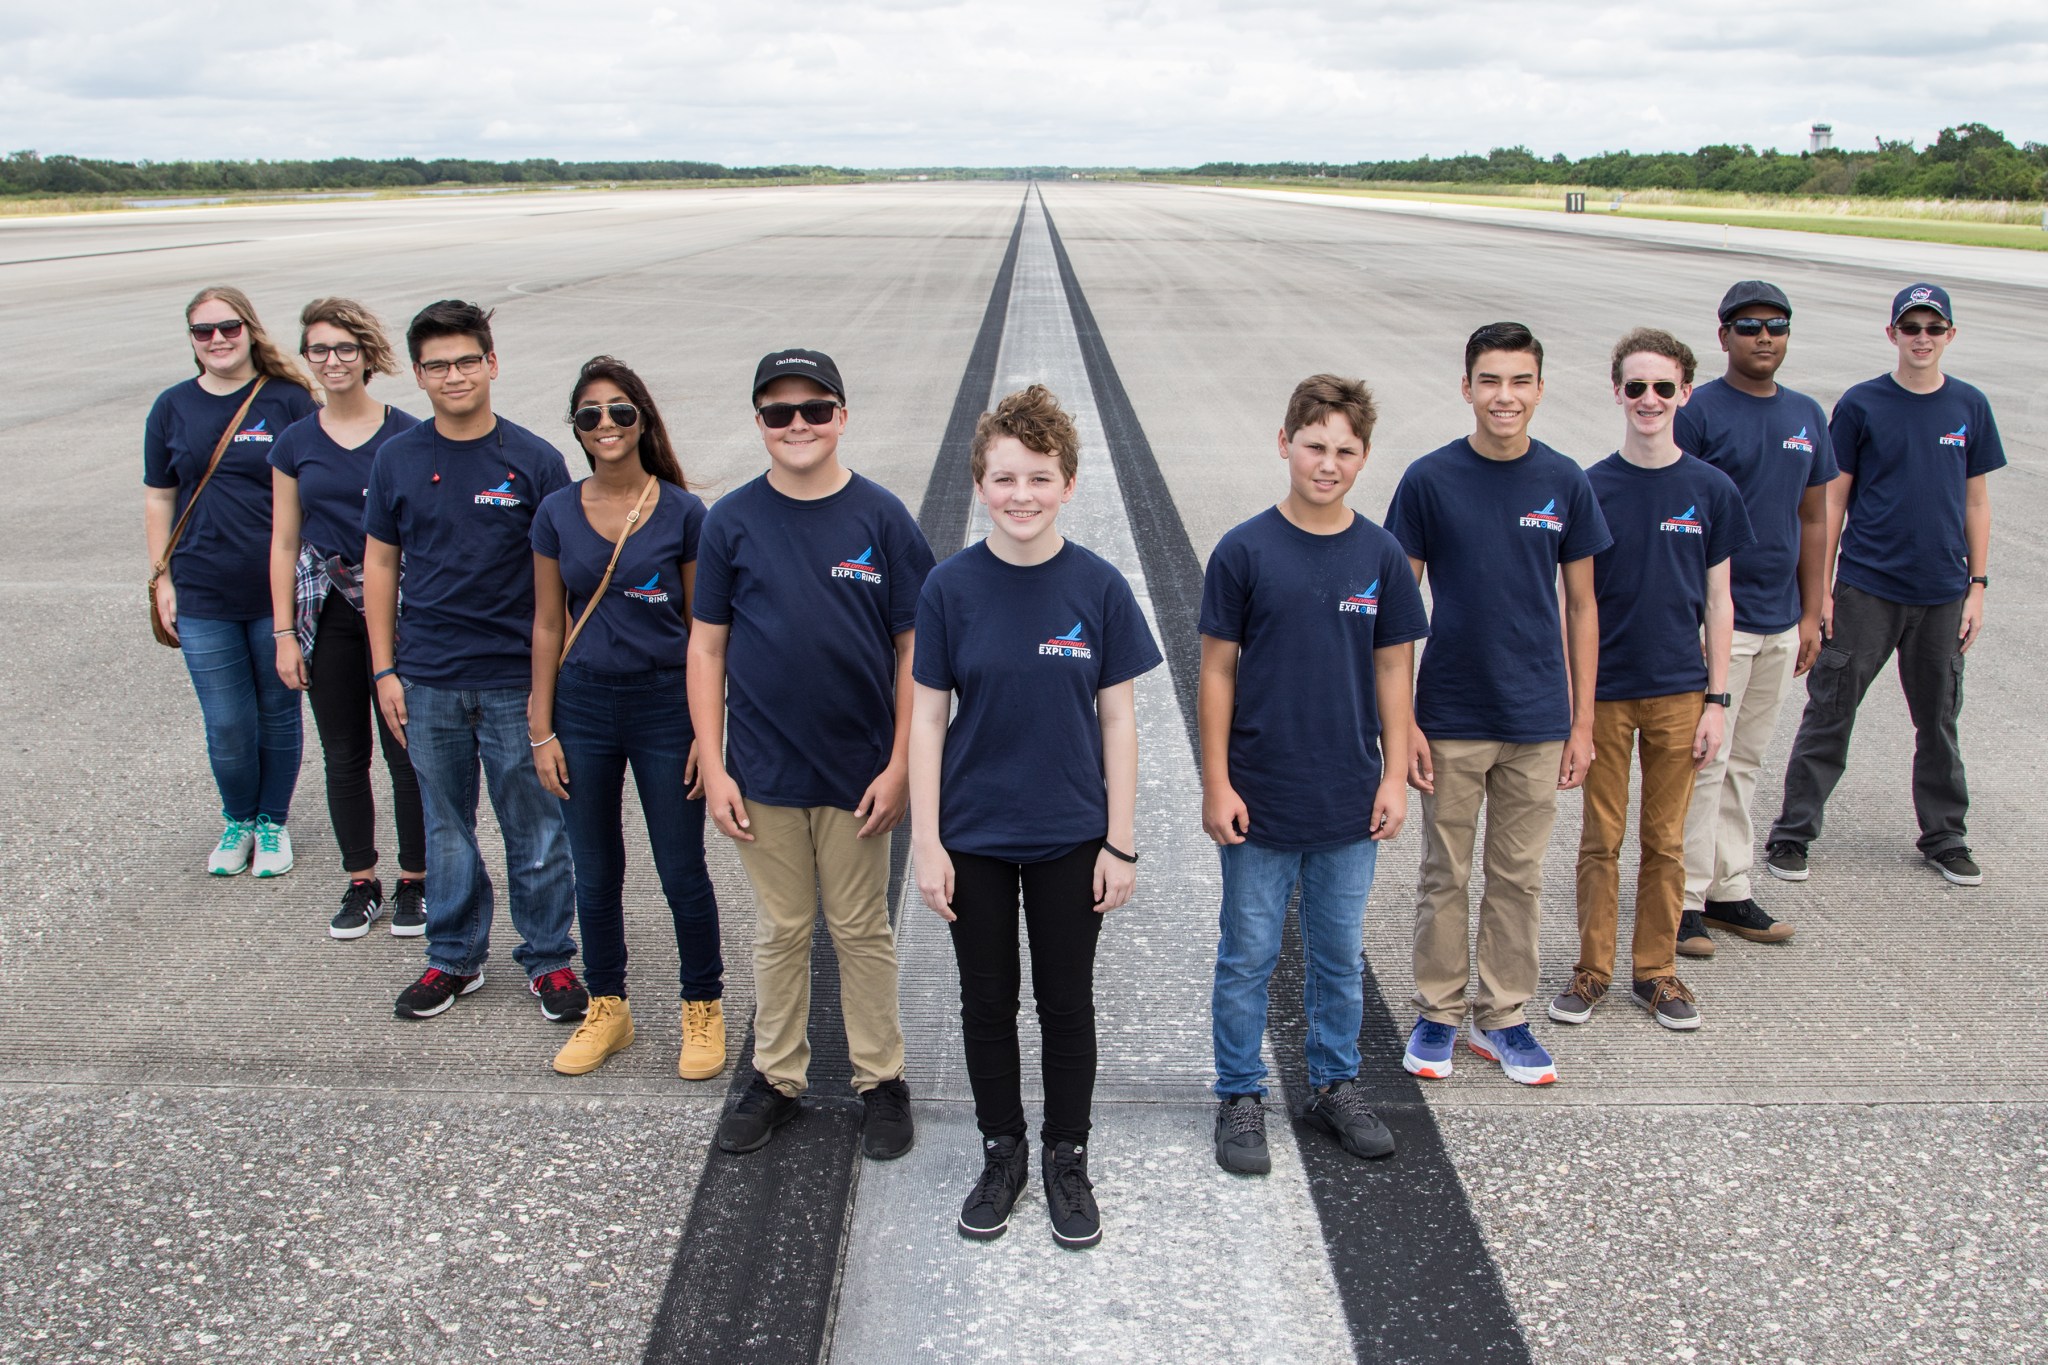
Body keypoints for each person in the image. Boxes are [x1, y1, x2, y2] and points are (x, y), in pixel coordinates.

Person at [910, 385, 1160, 1249]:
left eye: (1040, 477)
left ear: (1069, 483)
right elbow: (926, 719)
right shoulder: (949, 587)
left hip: (1069, 835)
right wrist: (928, 841)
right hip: (973, 836)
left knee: (1066, 1003)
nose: (1022, 494)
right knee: (987, 1003)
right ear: (980, 482)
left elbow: (1120, 719)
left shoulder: (1097, 586)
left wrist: (1119, 841)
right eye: (1005, 476)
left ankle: (1066, 1153)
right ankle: (1002, 1149)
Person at [690, 349, 933, 1161]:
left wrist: (901, 762)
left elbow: (914, 649)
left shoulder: (882, 518)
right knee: (783, 927)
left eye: (815, 409)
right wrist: (714, 761)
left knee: (861, 926)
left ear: (843, 416)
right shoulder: (730, 520)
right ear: (758, 423)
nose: (798, 425)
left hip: (859, 770)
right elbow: (706, 649)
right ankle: (776, 1074)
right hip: (763, 768)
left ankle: (881, 1078)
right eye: (779, 412)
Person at [1199, 375, 1426, 1177]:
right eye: (1314, 444)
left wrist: (1394, 776)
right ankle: (1239, 1093)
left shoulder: (1381, 557)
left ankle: (1334, 1083)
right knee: (1249, 952)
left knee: (1337, 952)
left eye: (1344, 450)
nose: (1327, 463)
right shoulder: (1245, 550)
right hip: (1259, 796)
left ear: (1363, 458)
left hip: (1348, 796)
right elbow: (1217, 672)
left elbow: (1395, 671)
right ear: (1285, 441)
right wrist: (1216, 781)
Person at [1386, 321, 1610, 1087]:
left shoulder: (1565, 481)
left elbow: (1582, 607)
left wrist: (1583, 720)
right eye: (1490, 380)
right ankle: (1439, 1012)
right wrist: (1404, 719)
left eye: (1519, 381)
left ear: (1540, 389)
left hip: (1538, 717)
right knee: (1445, 871)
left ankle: (1505, 1016)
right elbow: (1396, 608)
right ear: (1467, 387)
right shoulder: (1428, 480)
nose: (1504, 396)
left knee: (1518, 875)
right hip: (1449, 713)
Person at [362, 300, 587, 1022]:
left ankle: (550, 958)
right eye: (437, 365)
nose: (453, 375)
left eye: (466, 360)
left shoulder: (532, 460)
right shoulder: (397, 458)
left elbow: (562, 582)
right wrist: (385, 670)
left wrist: (547, 690)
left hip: (513, 679)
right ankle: (453, 957)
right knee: (446, 826)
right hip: (426, 678)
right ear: (418, 376)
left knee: (537, 828)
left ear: (492, 364)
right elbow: (380, 569)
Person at [529, 356, 727, 1080]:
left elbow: (708, 633)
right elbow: (549, 625)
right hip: (581, 705)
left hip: (664, 705)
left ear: (642, 418)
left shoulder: (683, 511)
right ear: (576, 430)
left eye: (619, 411)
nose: (605, 425)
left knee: (682, 868)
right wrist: (540, 727)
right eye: (589, 415)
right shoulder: (555, 511)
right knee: (595, 870)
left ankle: (702, 1005)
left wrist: (711, 736)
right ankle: (607, 1006)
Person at [1767, 284, 2004, 886]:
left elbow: (1977, 501)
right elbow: (1832, 498)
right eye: (1910, 327)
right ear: (1892, 333)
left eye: (1933, 327)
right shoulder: (1862, 405)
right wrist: (1820, 591)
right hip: (1868, 588)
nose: (1921, 338)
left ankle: (1945, 836)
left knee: (1939, 718)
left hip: (1944, 593)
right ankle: (1793, 834)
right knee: (1831, 709)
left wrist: (1977, 585)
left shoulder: (1969, 406)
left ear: (1950, 335)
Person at [1550, 330, 1751, 1034]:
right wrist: (1576, 702)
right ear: (1616, 392)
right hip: (1604, 693)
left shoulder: (1710, 490)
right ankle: (1593, 968)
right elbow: (1577, 602)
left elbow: (1721, 601)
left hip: (1679, 690)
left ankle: (1656, 970)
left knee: (1666, 841)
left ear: (1685, 394)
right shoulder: (1590, 487)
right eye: (1635, 386)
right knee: (1600, 837)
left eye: (1663, 387)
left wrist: (1717, 700)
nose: (1649, 400)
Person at [1672, 281, 1834, 955]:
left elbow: (1816, 516)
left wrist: (1814, 609)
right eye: (1748, 326)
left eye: (1776, 325)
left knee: (1747, 758)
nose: (1764, 336)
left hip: (1780, 616)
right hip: (1721, 618)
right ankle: (1680, 897)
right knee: (1705, 759)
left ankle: (1729, 888)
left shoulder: (1805, 416)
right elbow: (1678, 518)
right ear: (1723, 337)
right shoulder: (1699, 413)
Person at [144, 286, 318, 877]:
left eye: (228, 328)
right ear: (191, 340)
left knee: (277, 711)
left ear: (249, 329)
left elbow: (319, 485)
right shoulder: (172, 407)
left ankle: (272, 822)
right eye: (203, 331)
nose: (217, 340)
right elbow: (158, 496)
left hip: (277, 594)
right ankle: (238, 818)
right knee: (226, 720)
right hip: (203, 591)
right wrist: (161, 577)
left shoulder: (289, 401)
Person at [268, 298, 427, 939]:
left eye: (344, 349)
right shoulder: (295, 441)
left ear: (368, 356)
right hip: (326, 610)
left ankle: (416, 880)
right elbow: (282, 541)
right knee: (342, 753)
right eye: (319, 350)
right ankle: (361, 878)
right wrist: (284, 634)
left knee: (406, 749)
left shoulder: (407, 435)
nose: (332, 361)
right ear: (306, 358)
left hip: (397, 607)